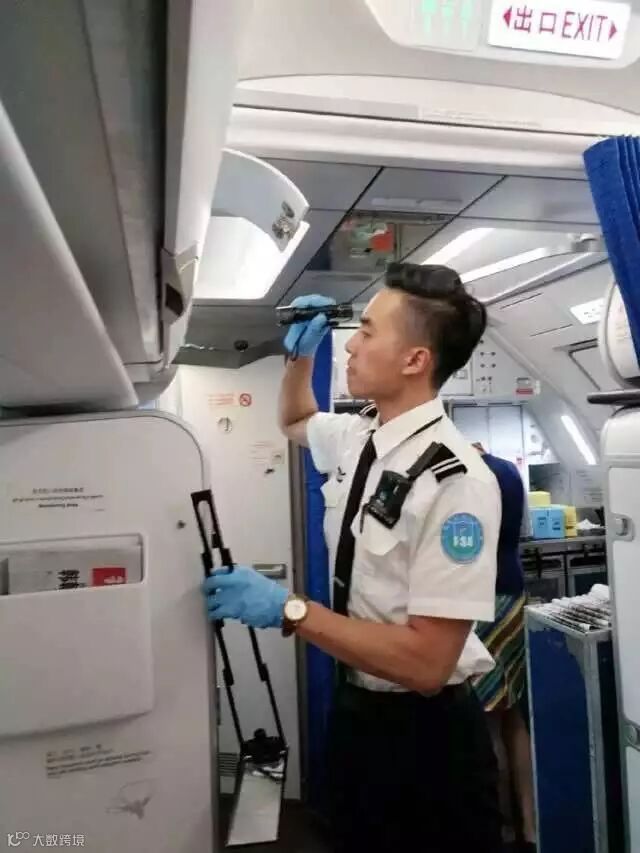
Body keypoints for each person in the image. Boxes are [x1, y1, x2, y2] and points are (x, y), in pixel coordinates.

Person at [202, 262, 503, 852]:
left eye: (366, 331)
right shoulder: (361, 435)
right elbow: (294, 419)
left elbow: (427, 663)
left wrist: (290, 610)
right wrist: (300, 356)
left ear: (415, 360)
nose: (351, 346)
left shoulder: (456, 480)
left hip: (427, 738)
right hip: (357, 709)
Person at [471, 445, 536, 853]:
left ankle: (501, 832)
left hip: (481, 601)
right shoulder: (509, 472)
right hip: (514, 596)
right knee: (514, 715)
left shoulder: (466, 475)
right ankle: (530, 827)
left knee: (487, 719)